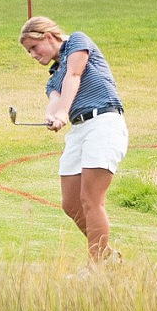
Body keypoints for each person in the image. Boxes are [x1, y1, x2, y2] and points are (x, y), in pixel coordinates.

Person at [19, 16, 128, 264]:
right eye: (28, 52)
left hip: (104, 122)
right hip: (80, 130)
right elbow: (55, 99)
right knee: (71, 203)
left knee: (91, 200)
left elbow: (75, 75)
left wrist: (61, 113)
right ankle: (108, 257)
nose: (32, 55)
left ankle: (97, 267)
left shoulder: (78, 42)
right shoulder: (53, 76)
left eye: (33, 48)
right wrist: (52, 116)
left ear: (47, 36)